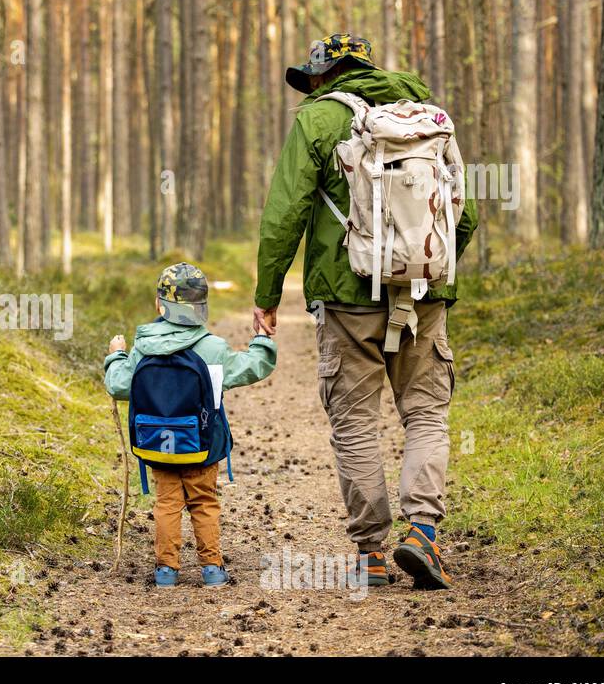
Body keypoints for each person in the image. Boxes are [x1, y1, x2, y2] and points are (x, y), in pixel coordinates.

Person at [253, 34, 478, 590]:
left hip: (346, 291)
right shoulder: (426, 114)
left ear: (322, 77)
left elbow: (285, 212)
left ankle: (371, 552)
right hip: (424, 295)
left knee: (355, 418)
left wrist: (268, 294)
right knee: (425, 412)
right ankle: (423, 530)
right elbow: (461, 213)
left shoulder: (317, 122)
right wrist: (426, 271)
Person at [105, 263, 276, 587]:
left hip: (156, 444)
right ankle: (212, 569)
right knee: (204, 502)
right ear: (202, 307)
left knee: (167, 503)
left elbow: (117, 385)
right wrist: (261, 339)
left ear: (160, 305)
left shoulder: (142, 349)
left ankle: (166, 571)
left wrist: (117, 354)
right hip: (202, 445)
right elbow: (254, 367)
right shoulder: (211, 348)